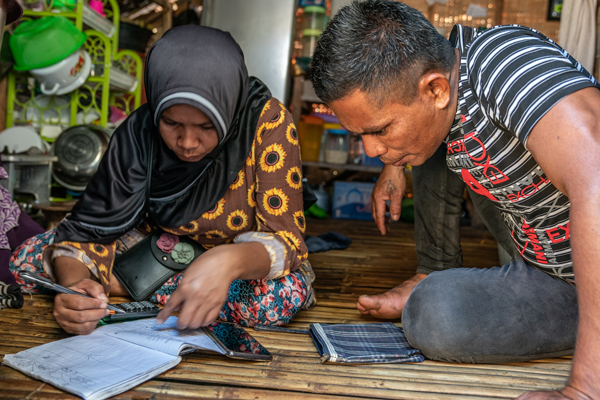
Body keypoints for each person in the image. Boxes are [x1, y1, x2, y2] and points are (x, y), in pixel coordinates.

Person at [309, 1, 600, 399]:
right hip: (552, 276)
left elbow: (596, 183)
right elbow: (418, 132)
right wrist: (394, 164)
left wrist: (584, 389)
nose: (371, 150)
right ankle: (432, 276)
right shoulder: (444, 90)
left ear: (436, 88)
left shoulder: (505, 62)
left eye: (378, 130)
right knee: (432, 314)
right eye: (362, 135)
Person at [10, 25, 315, 335]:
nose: (187, 142)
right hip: (156, 247)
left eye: (206, 126)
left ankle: (125, 283)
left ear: (230, 107)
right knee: (26, 261)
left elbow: (286, 240)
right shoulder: (138, 135)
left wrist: (227, 261)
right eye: (171, 123)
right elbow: (91, 229)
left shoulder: (266, 121)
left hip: (241, 261)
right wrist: (76, 290)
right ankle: (159, 288)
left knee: (276, 298)